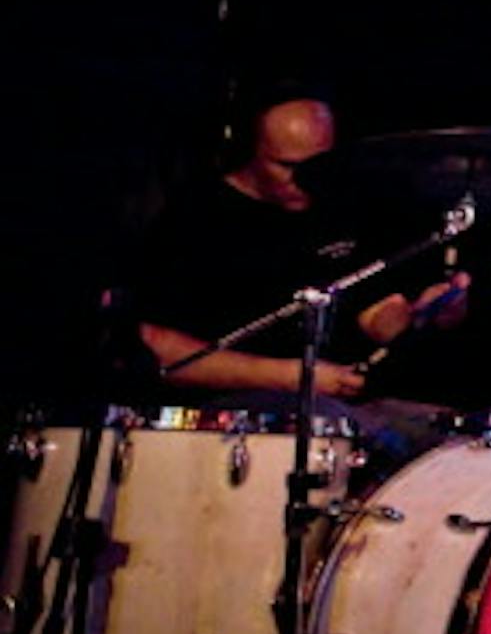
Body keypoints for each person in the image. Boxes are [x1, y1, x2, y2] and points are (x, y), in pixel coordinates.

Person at [132, 91, 471, 462]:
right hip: (229, 413)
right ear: (250, 149)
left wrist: (423, 314)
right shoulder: (196, 218)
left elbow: (373, 315)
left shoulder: (340, 207)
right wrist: (292, 375)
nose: (304, 179)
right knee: (358, 432)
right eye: (286, 165)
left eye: (319, 163)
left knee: (455, 439)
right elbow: (153, 347)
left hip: (335, 400)